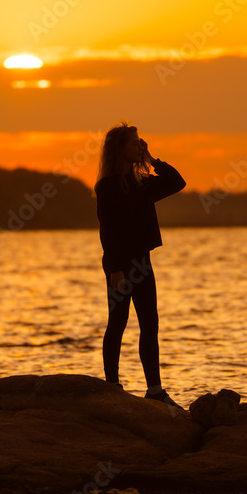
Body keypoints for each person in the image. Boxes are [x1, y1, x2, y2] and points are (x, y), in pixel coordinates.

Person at [94, 121, 186, 409]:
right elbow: (107, 230)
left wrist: (151, 158)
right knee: (117, 324)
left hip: (143, 262)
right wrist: (115, 269)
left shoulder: (142, 183)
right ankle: (112, 385)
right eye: (134, 143)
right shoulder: (107, 186)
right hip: (120, 263)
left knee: (150, 324)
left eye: (140, 142)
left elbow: (176, 182)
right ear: (119, 150)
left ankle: (155, 390)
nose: (139, 145)